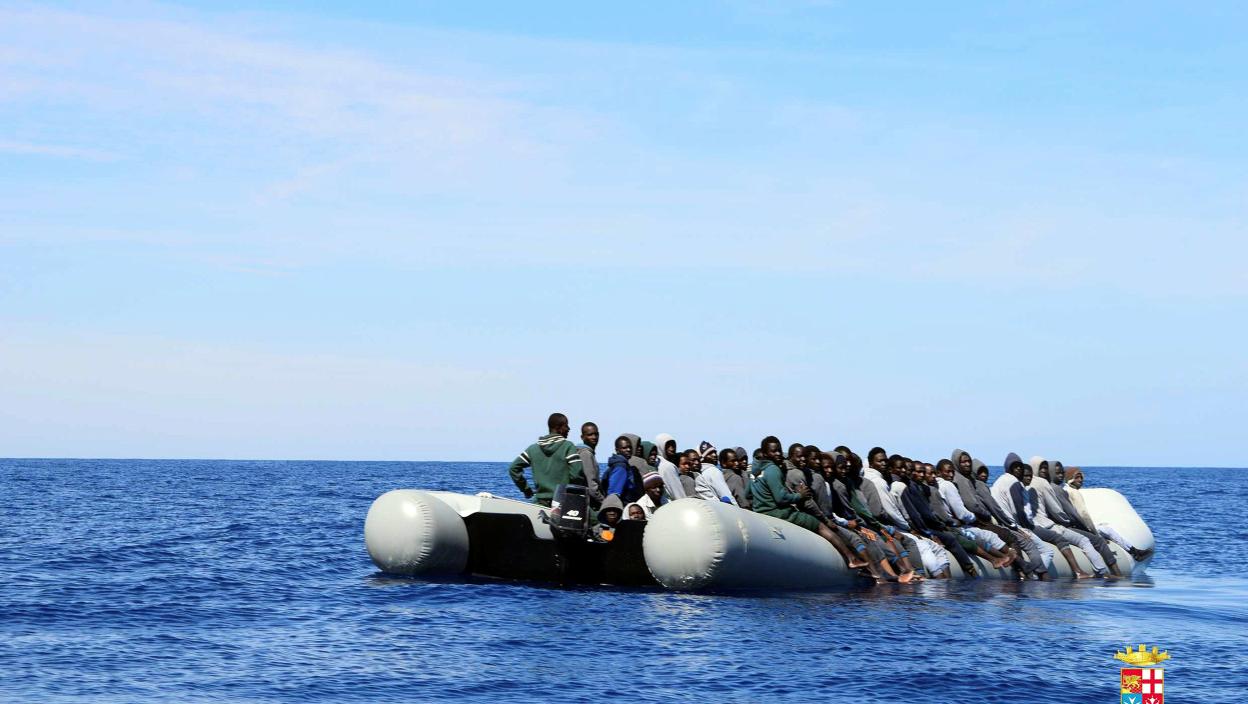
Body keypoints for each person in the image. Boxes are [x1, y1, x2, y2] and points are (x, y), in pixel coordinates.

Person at [750, 436, 872, 574]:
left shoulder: (755, 471)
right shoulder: (773, 469)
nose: (778, 453)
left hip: (761, 511)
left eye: (779, 450)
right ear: (765, 453)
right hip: (777, 512)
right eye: (773, 451)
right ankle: (851, 558)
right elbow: (781, 498)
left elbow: (749, 493)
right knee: (819, 525)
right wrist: (800, 496)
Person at [1031, 457, 1122, 577]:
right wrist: (1089, 530)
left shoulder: (1028, 484)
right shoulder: (1052, 488)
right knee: (1095, 541)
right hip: (1056, 525)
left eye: (1062, 473)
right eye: (1057, 473)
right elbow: (1065, 513)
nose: (1061, 475)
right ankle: (1110, 573)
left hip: (1039, 525)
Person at [1019, 462, 1093, 578]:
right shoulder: (1045, 485)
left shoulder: (1021, 487)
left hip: (1032, 525)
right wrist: (1069, 523)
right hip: (1036, 526)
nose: (1044, 472)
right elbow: (1057, 511)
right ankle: (1080, 571)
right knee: (1065, 541)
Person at [1063, 467, 1148, 560]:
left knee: (1103, 526)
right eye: (1077, 477)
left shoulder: (1064, 490)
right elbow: (1084, 514)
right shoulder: (1074, 493)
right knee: (1107, 530)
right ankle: (1134, 552)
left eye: (1081, 477)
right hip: (1078, 527)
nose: (1080, 480)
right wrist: (1094, 532)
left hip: (1072, 526)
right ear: (1070, 479)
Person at [507, 412, 585, 507]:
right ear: (559, 428)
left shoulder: (533, 449)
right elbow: (576, 474)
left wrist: (526, 490)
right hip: (563, 502)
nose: (569, 429)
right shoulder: (568, 446)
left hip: (540, 503)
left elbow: (513, 468)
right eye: (566, 426)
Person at [602, 435, 643, 504]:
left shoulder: (621, 465)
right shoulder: (621, 467)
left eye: (630, 447)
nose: (628, 450)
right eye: (624, 448)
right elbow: (614, 494)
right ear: (617, 450)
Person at [575, 422, 605, 508]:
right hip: (587, 503)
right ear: (582, 437)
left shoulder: (587, 453)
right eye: (590, 435)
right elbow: (592, 487)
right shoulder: (586, 454)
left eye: (596, 434)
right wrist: (604, 502)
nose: (594, 437)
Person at [653, 433, 686, 500]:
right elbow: (678, 494)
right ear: (660, 446)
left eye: (673, 445)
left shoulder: (658, 463)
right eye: (668, 445)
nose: (672, 448)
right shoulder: (668, 466)